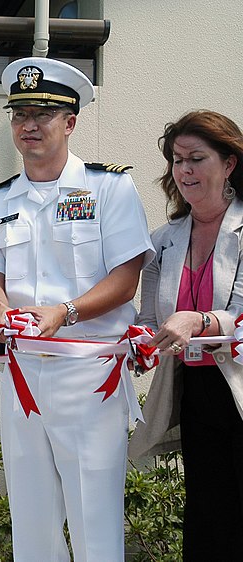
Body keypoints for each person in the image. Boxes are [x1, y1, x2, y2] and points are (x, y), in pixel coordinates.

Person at [0, 57, 154, 562]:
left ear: (70, 122)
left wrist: (63, 312)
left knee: (95, 517)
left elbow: (125, 277)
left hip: (88, 374)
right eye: (20, 112)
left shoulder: (110, 188)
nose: (29, 124)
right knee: (31, 521)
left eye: (43, 112)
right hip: (21, 375)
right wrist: (2, 313)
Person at [128, 110, 243, 560]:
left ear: (229, 163)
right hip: (194, 390)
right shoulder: (163, 239)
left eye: (197, 158)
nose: (185, 171)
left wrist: (199, 320)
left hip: (238, 388)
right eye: (177, 161)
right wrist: (138, 341)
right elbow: (151, 319)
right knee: (207, 516)